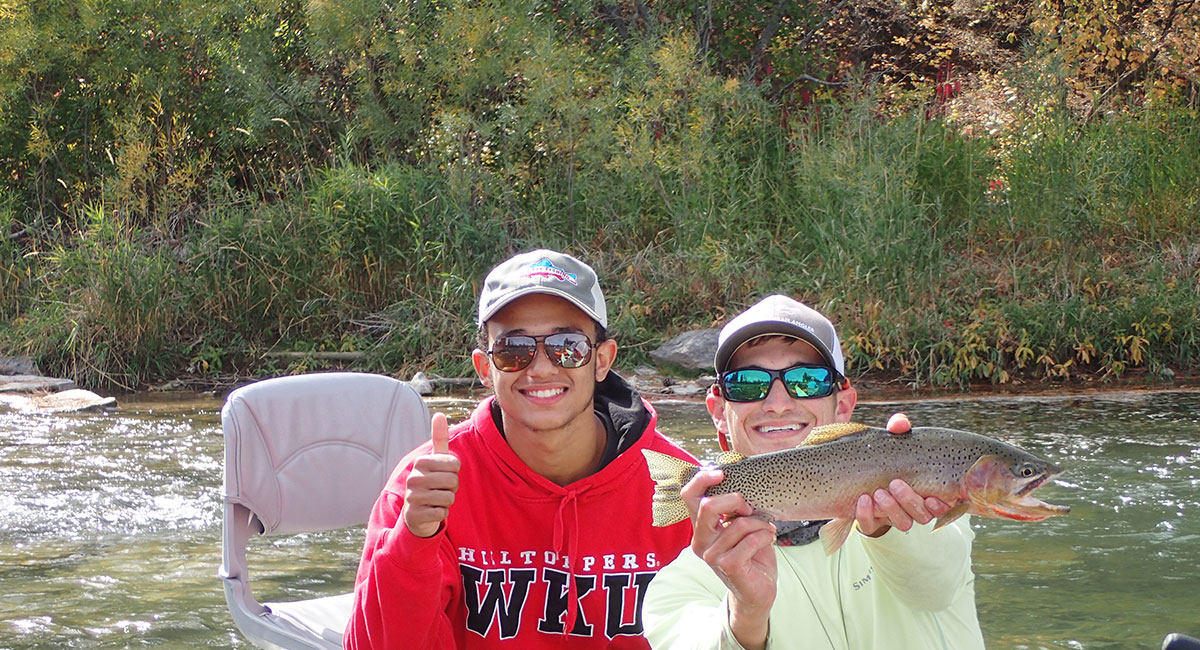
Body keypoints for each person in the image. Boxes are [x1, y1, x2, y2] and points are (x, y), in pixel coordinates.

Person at [345, 249, 697, 649]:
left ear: (601, 361)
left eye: (568, 345)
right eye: (514, 349)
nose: (542, 368)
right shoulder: (427, 486)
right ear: (484, 369)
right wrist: (414, 541)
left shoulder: (681, 487)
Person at [642, 295, 985, 650]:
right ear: (717, 410)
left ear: (845, 406)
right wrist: (746, 615)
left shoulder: (932, 508)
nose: (777, 404)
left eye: (807, 380)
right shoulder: (684, 582)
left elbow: (935, 588)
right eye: (747, 383)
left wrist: (892, 529)